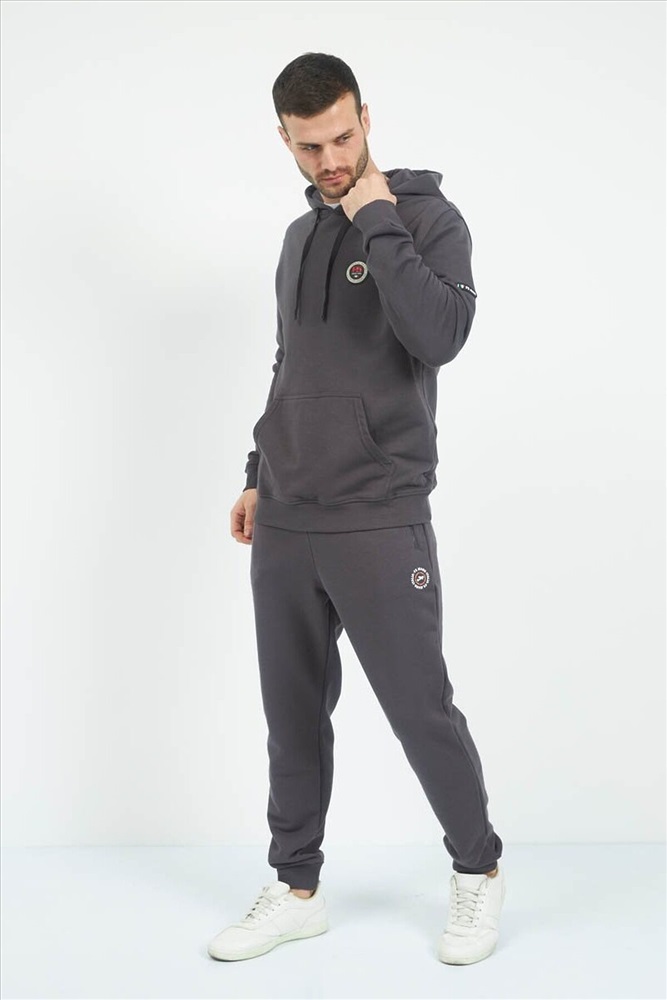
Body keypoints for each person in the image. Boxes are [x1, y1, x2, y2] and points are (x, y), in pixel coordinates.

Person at [209, 52, 505, 966]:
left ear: (365, 119)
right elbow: (289, 363)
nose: (330, 160)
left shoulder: (425, 219)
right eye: (311, 147)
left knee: (419, 709)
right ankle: (296, 887)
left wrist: (375, 217)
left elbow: (440, 335)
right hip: (288, 516)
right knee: (292, 715)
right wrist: (258, 471)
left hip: (379, 512)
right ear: (284, 141)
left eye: (342, 137)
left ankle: (477, 869)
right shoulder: (297, 239)